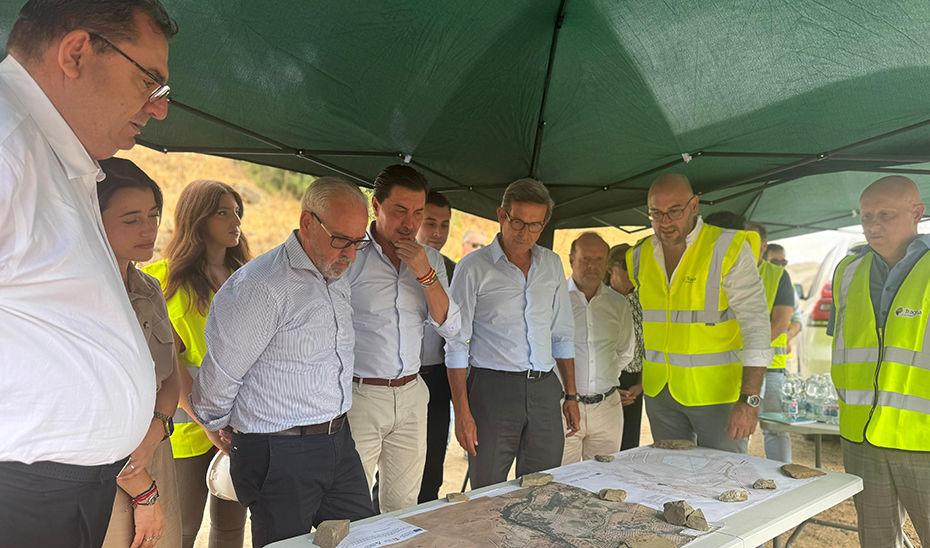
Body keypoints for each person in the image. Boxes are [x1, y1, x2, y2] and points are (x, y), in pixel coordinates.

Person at [0, 2, 176, 546]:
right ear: (76, 52)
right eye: (149, 80)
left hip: (63, 491)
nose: (159, 109)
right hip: (24, 496)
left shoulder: (49, 153)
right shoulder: (8, 145)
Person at [190, 177, 375, 548]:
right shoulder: (262, 285)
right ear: (308, 223)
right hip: (278, 451)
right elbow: (221, 376)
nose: (350, 254)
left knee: (366, 540)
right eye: (341, 239)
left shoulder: (336, 274)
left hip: (338, 441)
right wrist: (218, 425)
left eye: (359, 242)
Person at [446, 178, 580, 489]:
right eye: (518, 221)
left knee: (543, 488)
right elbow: (455, 343)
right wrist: (462, 413)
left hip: (545, 390)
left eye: (535, 225)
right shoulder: (472, 268)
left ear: (545, 223)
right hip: (492, 391)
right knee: (487, 490)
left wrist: (571, 395)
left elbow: (562, 335)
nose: (525, 233)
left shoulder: (552, 264)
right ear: (502, 215)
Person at [625, 174, 772, 454]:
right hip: (660, 394)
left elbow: (756, 326)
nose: (665, 222)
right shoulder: (639, 254)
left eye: (674, 212)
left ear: (694, 206)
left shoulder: (727, 248)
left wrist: (750, 399)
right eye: (656, 214)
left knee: (722, 482)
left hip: (717, 396)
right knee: (672, 477)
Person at [346, 166, 460, 513]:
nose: (410, 222)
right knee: (350, 501)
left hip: (412, 393)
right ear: (375, 205)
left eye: (418, 212)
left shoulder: (432, 261)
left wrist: (425, 274)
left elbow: (450, 326)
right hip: (359, 393)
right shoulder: (351, 256)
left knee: (403, 505)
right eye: (399, 211)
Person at [144, 180, 250, 548]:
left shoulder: (248, 280)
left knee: (231, 527)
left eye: (237, 211)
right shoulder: (161, 280)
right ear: (197, 218)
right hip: (185, 429)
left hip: (241, 425)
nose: (234, 220)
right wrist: (207, 423)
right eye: (223, 211)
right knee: (182, 529)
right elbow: (170, 364)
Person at [828, 176, 930, 548]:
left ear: (917, 213)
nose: (872, 224)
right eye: (866, 215)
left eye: (885, 214)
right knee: (877, 540)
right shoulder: (847, 271)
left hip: (923, 437)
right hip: (862, 435)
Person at [98, 158, 182, 548]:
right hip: (106, 467)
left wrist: (155, 433)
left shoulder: (149, 288)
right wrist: (138, 481)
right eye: (131, 220)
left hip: (152, 450)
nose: (149, 229)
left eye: (153, 214)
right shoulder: (82, 295)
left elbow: (169, 376)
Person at [561, 233, 635, 464]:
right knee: (561, 481)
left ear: (606, 263)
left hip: (607, 409)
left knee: (605, 479)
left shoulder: (618, 304)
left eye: (599, 259)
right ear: (572, 259)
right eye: (585, 259)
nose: (592, 265)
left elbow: (625, 352)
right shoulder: (555, 299)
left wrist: (602, 378)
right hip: (563, 406)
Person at [414, 190, 458, 502]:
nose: (438, 233)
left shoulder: (453, 270)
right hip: (399, 376)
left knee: (432, 469)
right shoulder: (392, 264)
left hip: (437, 378)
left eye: (444, 224)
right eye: (430, 223)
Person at [745, 222, 795, 463]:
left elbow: (781, 323)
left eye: (751, 241)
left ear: (763, 246)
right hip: (735, 367)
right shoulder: (725, 271)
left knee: (775, 427)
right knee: (739, 428)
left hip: (772, 366)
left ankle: (782, 476)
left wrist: (747, 351)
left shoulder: (777, 276)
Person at [606, 244, 646, 450]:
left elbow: (650, 346)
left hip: (634, 385)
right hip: (605, 384)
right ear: (609, 266)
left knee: (629, 447)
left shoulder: (644, 301)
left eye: (636, 265)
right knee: (605, 448)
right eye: (626, 265)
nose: (633, 271)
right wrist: (610, 389)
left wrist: (641, 384)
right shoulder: (600, 300)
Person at [765, 243, 803, 355]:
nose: (780, 267)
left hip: (777, 361)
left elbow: (798, 320)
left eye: (784, 263)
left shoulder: (788, 287)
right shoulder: (757, 282)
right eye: (775, 262)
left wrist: (788, 336)